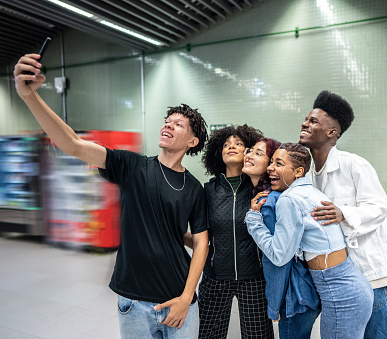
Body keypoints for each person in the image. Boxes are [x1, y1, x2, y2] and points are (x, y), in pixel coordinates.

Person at [14, 53, 209, 339]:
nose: (168, 124)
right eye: (167, 120)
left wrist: (186, 297)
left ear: (192, 142)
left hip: (179, 300)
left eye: (178, 124)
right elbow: (73, 143)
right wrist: (29, 96)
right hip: (133, 301)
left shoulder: (193, 187)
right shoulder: (132, 166)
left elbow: (201, 243)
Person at [300, 90, 387, 338]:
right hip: (335, 274)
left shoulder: (354, 165)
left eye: (313, 121)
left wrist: (342, 213)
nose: (305, 123)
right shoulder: (307, 173)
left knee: (381, 332)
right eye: (306, 119)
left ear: (332, 132)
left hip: (365, 268)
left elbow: (380, 207)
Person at [246, 142, 374, 339]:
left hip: (341, 294)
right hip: (350, 286)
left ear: (298, 171)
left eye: (279, 163)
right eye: (271, 162)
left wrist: (253, 221)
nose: (270, 167)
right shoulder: (311, 192)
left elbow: (279, 256)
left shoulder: (290, 200)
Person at [197, 125, 274, 339]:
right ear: (218, 153)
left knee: (258, 335)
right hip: (215, 277)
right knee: (207, 334)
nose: (231, 146)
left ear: (248, 152)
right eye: (226, 144)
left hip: (254, 278)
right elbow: (199, 236)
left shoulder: (258, 189)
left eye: (239, 143)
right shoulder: (208, 190)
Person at [242, 137, 320, 339]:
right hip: (304, 290)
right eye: (250, 151)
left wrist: (274, 304)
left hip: (294, 296)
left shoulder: (270, 201)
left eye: (260, 155)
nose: (249, 155)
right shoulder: (277, 195)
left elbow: (277, 259)